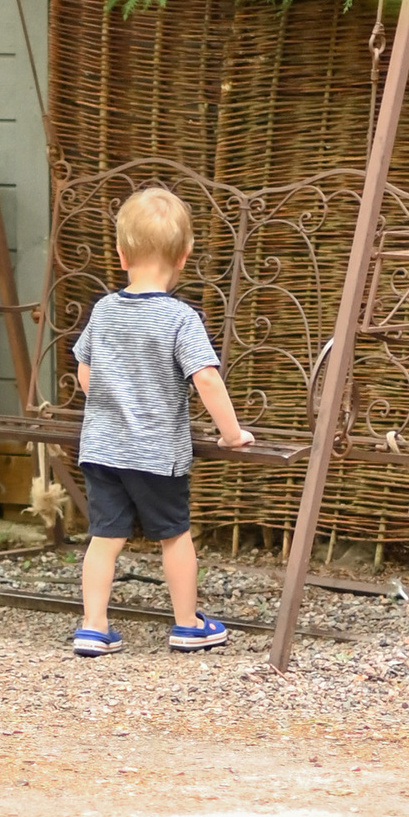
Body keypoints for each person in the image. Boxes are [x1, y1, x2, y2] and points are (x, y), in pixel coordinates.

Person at [71, 185, 253, 656]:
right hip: (155, 456)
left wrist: (114, 403)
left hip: (101, 451)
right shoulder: (180, 318)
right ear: (184, 257)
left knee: (104, 538)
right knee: (174, 536)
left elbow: (85, 374)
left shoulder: (104, 310)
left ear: (121, 254)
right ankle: (187, 623)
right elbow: (207, 381)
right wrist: (232, 434)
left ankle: (93, 626)